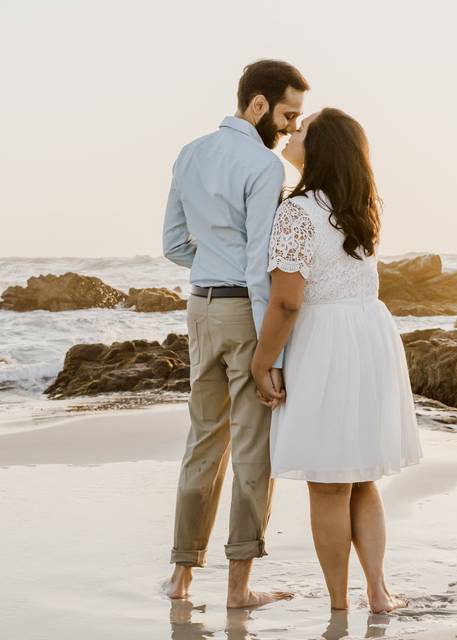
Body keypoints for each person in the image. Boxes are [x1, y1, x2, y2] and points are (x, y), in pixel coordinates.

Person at [250, 108, 423, 613]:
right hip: (368, 338)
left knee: (328, 483)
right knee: (362, 476)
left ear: (319, 148)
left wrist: (263, 361)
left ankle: (339, 604)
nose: (290, 134)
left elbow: (286, 301)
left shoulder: (296, 212)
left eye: (301, 131)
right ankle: (377, 591)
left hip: (325, 344)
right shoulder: (359, 208)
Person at [161, 59, 309, 608]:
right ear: (258, 105)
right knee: (253, 449)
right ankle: (239, 588)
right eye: (289, 114)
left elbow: (174, 245)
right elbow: (257, 265)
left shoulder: (190, 153)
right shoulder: (265, 166)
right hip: (243, 312)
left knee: (202, 442)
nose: (293, 127)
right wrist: (272, 354)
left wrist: (212, 255)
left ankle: (180, 578)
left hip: (198, 309)